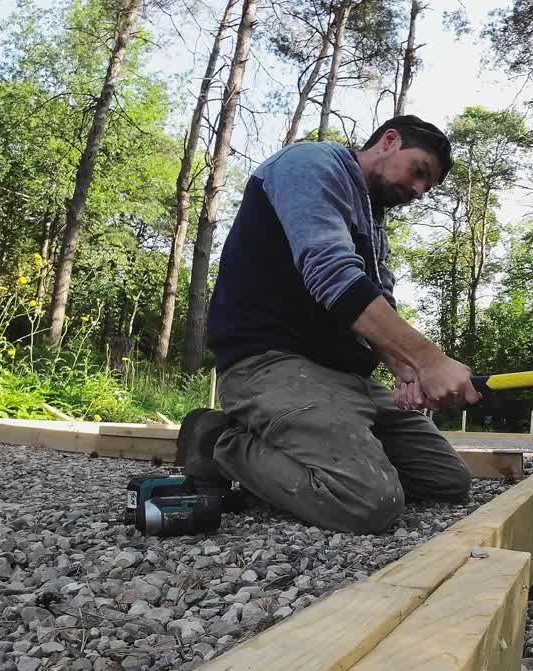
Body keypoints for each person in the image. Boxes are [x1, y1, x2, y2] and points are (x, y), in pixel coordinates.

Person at [179, 115, 482, 534]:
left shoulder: (373, 224)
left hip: (344, 380)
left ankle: (321, 448)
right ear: (390, 141)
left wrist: (408, 373)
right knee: (369, 502)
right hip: (270, 364)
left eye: (426, 187)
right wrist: (428, 358)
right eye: (419, 173)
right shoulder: (311, 164)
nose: (418, 191)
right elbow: (331, 273)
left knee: (447, 481)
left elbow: (378, 306)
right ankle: (220, 443)